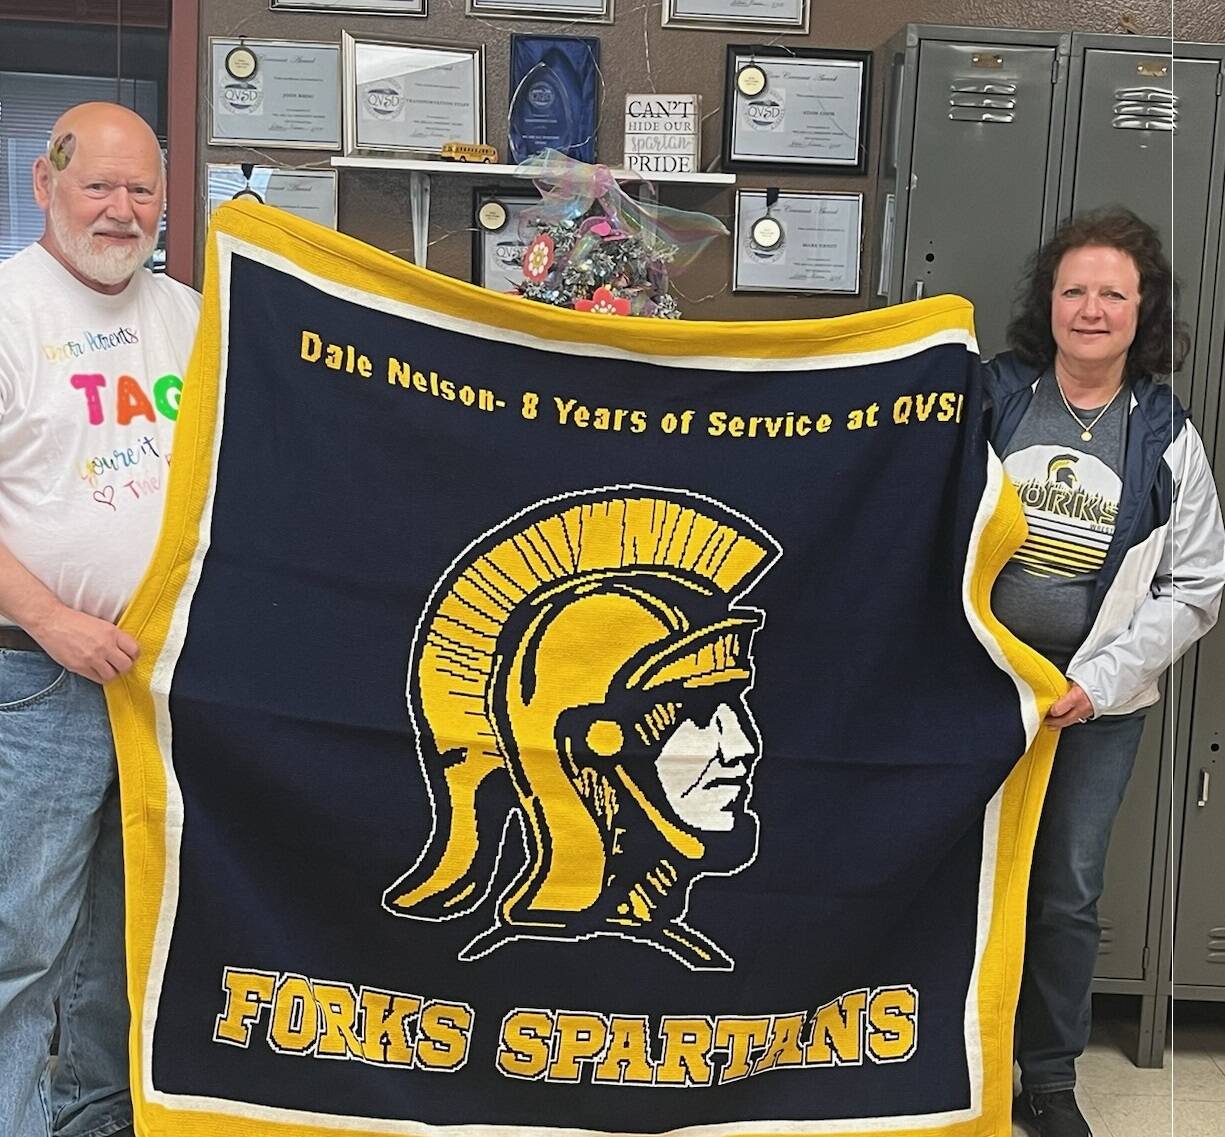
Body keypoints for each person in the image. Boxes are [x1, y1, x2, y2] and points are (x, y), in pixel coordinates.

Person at [986, 208, 1225, 1137]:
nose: (1091, 309)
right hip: (979, 691)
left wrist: (1100, 678)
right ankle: (940, 1049)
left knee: (1066, 890)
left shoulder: (1163, 432)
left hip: (1093, 706)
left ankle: (1045, 1078)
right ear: (1047, 303)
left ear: (1142, 311)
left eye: (1112, 294)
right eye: (1073, 290)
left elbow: (1194, 584)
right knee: (948, 869)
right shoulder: (992, 396)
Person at [0, 102, 200, 1137]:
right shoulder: (7, 309)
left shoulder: (193, 318)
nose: (121, 212)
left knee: (125, 945)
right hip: (33, 678)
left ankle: (89, 1124)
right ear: (44, 184)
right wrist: (48, 619)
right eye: (98, 187)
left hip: (161, 685)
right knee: (18, 944)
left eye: (141, 191)